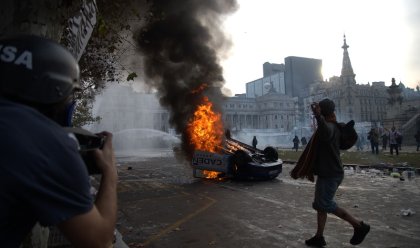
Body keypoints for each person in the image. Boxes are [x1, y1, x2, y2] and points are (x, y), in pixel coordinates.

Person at [0, 35, 118, 247]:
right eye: (69, 96)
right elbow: (99, 240)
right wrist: (110, 173)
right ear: (52, 89)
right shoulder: (45, 143)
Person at [304, 99, 370, 247]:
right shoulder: (332, 126)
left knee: (325, 204)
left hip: (330, 174)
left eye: (320, 108)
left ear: (323, 111)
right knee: (321, 206)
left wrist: (317, 116)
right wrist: (319, 116)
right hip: (329, 172)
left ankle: (359, 226)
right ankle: (319, 237)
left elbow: (324, 130)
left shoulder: (329, 128)